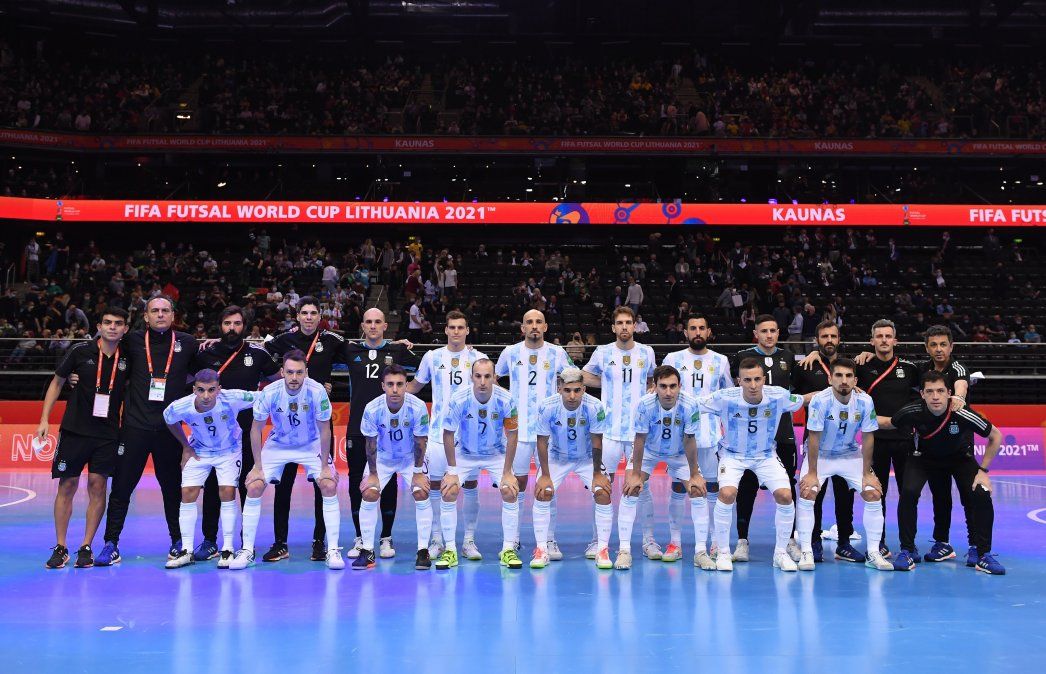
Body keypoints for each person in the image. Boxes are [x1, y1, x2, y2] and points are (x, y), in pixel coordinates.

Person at [95, 296, 199, 566]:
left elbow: (206, 372)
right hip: (135, 428)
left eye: (165, 310)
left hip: (170, 431)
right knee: (121, 488)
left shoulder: (187, 343)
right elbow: (103, 354)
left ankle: (178, 541)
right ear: (145, 316)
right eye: (155, 311)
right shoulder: (132, 341)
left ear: (173, 315)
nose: (160, 315)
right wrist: (74, 375)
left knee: (172, 490)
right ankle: (111, 543)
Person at [877, 372, 1005, 575]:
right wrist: (856, 410)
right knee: (908, 492)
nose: (935, 396)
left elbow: (996, 435)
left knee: (981, 493)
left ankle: (983, 555)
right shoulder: (912, 411)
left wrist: (983, 471)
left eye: (940, 391)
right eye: (930, 391)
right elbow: (887, 423)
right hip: (922, 459)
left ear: (949, 393)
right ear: (922, 394)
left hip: (959, 459)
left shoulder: (962, 413)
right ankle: (907, 551)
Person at [231, 350, 342, 570]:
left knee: (329, 485)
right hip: (279, 444)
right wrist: (257, 466)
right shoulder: (269, 392)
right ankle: (247, 550)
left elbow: (325, 430)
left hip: (310, 443)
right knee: (253, 486)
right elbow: (255, 430)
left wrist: (324, 467)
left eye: (299, 373)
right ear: (282, 371)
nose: (294, 377)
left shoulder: (317, 391)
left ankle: (333, 550)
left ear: (306, 373)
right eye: (289, 372)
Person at [38, 308, 129, 569]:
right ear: (99, 326)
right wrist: (44, 419)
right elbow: (57, 382)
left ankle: (86, 546)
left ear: (125, 328)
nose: (112, 327)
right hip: (75, 430)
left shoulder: (129, 358)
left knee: (98, 487)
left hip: (108, 434)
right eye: (108, 323)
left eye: (118, 324)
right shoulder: (80, 352)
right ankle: (61, 546)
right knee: (67, 486)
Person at [190, 306, 280, 564]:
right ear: (220, 326)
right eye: (227, 323)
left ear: (245, 327)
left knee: (246, 485)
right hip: (213, 433)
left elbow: (278, 382)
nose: (232, 328)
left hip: (247, 432)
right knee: (212, 486)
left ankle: (245, 542)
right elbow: (188, 380)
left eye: (237, 323)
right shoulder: (206, 353)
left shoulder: (258, 354)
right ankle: (209, 541)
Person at [698, 358, 804, 572]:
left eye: (757, 379)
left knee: (785, 495)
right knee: (727, 494)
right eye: (748, 380)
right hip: (732, 455)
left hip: (765, 455)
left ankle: (780, 554)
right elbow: (693, 403)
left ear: (764, 379)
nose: (753, 385)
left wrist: (840, 391)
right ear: (739, 381)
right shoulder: (723, 398)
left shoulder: (779, 395)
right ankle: (724, 553)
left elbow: (806, 399)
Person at [262, 296, 345, 563]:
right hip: (287, 421)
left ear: (320, 315)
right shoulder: (283, 340)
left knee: (322, 483)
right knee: (283, 486)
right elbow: (260, 357)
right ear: (297, 316)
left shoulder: (331, 340)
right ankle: (280, 543)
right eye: (304, 313)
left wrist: (395, 345)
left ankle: (319, 542)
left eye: (313, 313)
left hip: (318, 421)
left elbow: (362, 353)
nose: (309, 317)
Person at [795, 359, 892, 572]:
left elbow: (868, 438)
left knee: (873, 492)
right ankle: (806, 551)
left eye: (849, 376)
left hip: (849, 454)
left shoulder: (865, 401)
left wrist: (867, 473)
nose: (844, 381)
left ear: (855, 380)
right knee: (808, 492)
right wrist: (812, 473)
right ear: (830, 379)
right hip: (820, 456)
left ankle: (874, 552)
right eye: (838, 376)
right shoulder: (819, 401)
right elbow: (812, 438)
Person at [406, 310, 487, 560]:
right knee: (435, 486)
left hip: (469, 435)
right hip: (438, 434)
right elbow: (414, 387)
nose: (456, 332)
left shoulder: (478, 357)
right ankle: (437, 539)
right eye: (452, 327)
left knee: (470, 485)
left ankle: (469, 541)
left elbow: (489, 388)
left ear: (467, 331)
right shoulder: (432, 357)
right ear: (445, 330)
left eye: (460, 327)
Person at [615, 366, 710, 571]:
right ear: (654, 386)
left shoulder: (690, 405)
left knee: (697, 491)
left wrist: (694, 474)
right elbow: (639, 439)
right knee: (631, 490)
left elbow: (690, 439)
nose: (668, 392)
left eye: (673, 386)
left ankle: (701, 551)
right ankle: (625, 550)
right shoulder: (644, 405)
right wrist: (635, 475)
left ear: (680, 386)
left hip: (679, 453)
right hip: (649, 451)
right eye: (663, 386)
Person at [494, 310, 572, 553]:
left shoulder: (557, 353)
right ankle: (514, 538)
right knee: (516, 484)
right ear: (523, 328)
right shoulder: (510, 352)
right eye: (529, 322)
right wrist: (507, 401)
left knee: (548, 485)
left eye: (539, 322)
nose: (534, 326)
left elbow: (572, 379)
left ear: (546, 327)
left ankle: (548, 539)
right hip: (518, 431)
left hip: (548, 432)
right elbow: (495, 378)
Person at [581, 307, 656, 558]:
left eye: (628, 322)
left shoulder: (647, 352)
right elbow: (584, 376)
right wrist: (608, 382)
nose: (624, 327)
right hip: (609, 432)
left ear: (635, 326)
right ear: (613, 327)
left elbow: (653, 381)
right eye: (620, 323)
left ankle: (648, 541)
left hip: (638, 433)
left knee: (642, 487)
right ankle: (596, 541)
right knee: (602, 485)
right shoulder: (602, 352)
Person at [162, 371, 257, 568]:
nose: (206, 396)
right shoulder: (181, 406)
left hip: (229, 450)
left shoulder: (233, 398)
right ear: (194, 389)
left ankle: (228, 549)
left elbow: (264, 396)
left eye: (211, 390)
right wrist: (185, 446)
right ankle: (186, 550)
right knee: (187, 493)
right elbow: (168, 418)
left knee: (227, 491)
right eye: (201, 390)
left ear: (219, 389)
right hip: (199, 450)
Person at [729, 315, 801, 564]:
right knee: (746, 487)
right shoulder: (742, 357)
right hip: (750, 434)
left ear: (778, 332)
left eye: (773, 330)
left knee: (787, 487)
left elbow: (798, 390)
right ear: (755, 333)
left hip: (783, 433)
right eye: (764, 331)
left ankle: (789, 540)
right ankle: (742, 541)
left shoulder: (789, 357)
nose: (769, 335)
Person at [661, 313, 732, 558]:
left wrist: (727, 435)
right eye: (693, 328)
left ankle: (713, 542)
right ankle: (675, 542)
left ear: (709, 332)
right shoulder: (673, 358)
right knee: (680, 489)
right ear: (686, 332)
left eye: (702, 328)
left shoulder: (721, 361)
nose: (698, 332)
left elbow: (728, 399)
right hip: (680, 439)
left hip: (711, 436)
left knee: (712, 489)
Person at [344, 308, 413, 559]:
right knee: (356, 482)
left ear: (386, 326)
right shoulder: (350, 350)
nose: (373, 326)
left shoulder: (396, 351)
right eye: (368, 322)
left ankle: (385, 537)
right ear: (362, 325)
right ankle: (361, 537)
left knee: (389, 481)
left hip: (389, 428)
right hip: (357, 428)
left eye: (378, 322)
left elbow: (427, 368)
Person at [438, 359, 520, 570]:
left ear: (494, 377)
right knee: (448, 491)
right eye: (478, 376)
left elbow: (512, 435)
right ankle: (450, 550)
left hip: (496, 454)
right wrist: (453, 471)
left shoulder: (506, 399)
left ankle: (508, 549)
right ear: (471, 377)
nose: (482, 381)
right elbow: (447, 434)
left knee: (510, 491)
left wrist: (507, 471)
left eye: (487, 376)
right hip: (464, 453)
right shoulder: (459, 399)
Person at [794, 321, 863, 563]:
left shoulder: (849, 366)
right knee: (814, 493)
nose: (829, 340)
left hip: (845, 444)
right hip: (816, 442)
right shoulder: (805, 366)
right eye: (824, 336)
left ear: (839, 338)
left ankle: (844, 543)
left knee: (846, 496)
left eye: (833, 336)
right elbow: (794, 399)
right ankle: (813, 541)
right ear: (817, 339)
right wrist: (811, 398)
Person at [530, 368, 611, 568]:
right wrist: (545, 475)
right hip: (557, 457)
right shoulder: (547, 407)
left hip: (587, 458)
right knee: (543, 492)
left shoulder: (595, 406)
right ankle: (542, 549)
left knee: (603, 493)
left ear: (584, 389)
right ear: (559, 389)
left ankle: (602, 549)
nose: (572, 396)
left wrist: (597, 475)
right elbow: (541, 441)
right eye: (567, 390)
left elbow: (597, 441)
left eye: (577, 390)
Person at [356, 365, 432, 570]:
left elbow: (421, 442)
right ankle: (367, 550)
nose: (395, 389)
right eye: (390, 384)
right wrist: (372, 474)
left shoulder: (417, 407)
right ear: (383, 386)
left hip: (410, 458)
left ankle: (423, 550)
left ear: (406, 386)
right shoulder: (372, 408)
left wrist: (417, 473)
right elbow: (370, 444)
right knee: (369, 493)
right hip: (383, 457)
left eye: (400, 384)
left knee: (421, 492)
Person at [917, 325, 977, 563]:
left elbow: (961, 385)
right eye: (933, 344)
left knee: (968, 497)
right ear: (927, 348)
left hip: (960, 447)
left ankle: (975, 545)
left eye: (943, 344)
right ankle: (942, 543)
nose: (939, 349)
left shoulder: (958, 368)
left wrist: (959, 398)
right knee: (940, 497)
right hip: (933, 447)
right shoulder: (922, 370)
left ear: (951, 346)